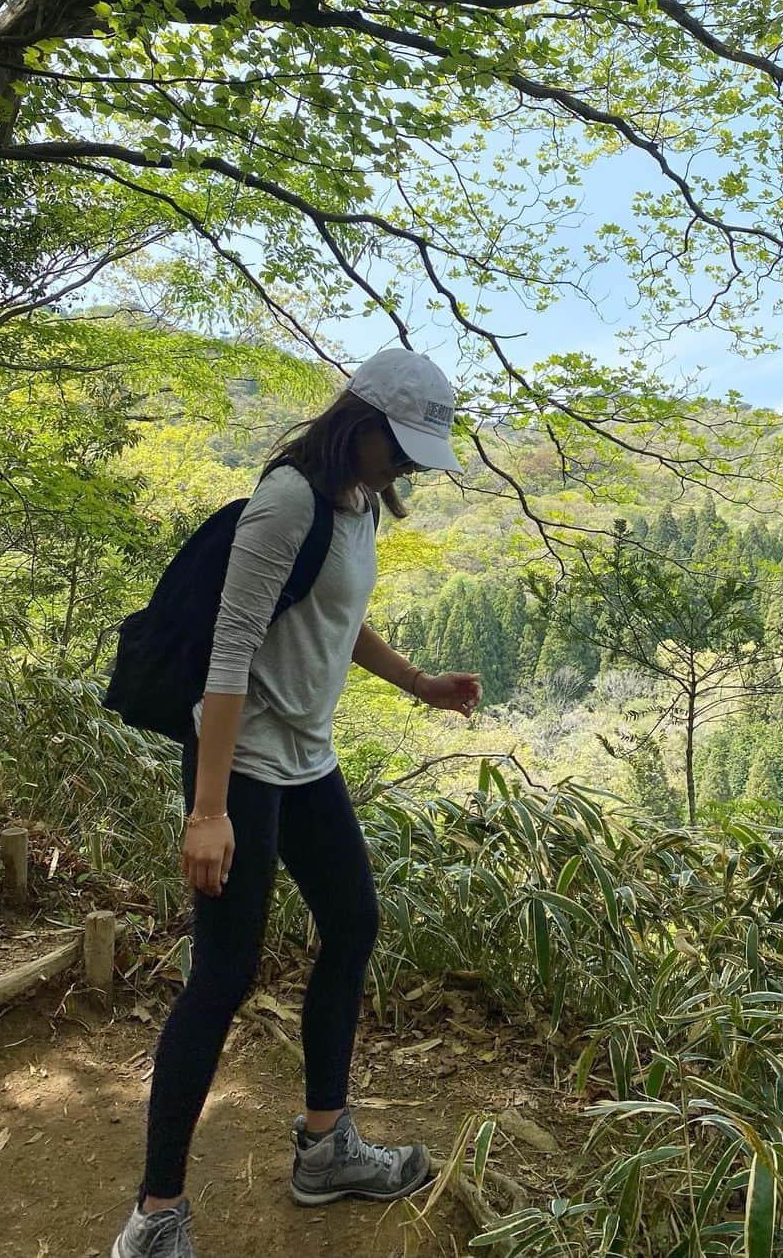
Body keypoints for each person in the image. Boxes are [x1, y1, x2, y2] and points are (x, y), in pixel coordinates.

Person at [112, 348, 482, 1258]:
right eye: (397, 447)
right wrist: (207, 809)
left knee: (353, 922)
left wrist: (419, 684)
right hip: (239, 762)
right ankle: (154, 1218)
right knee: (223, 975)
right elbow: (233, 647)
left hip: (307, 758)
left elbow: (335, 617)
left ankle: (325, 1147)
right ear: (356, 423)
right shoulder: (288, 500)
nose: (404, 468)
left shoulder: (357, 507)